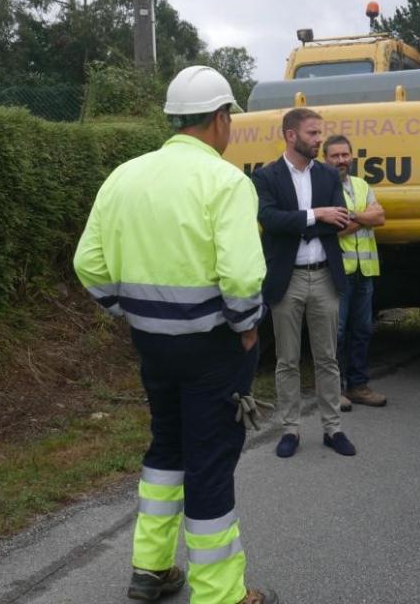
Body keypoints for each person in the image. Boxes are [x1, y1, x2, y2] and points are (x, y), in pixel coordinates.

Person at [74, 66, 279, 604]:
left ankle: (152, 568)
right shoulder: (226, 181)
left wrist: (127, 309)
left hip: (152, 343)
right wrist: (248, 326)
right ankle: (220, 594)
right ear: (220, 118)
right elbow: (240, 275)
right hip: (212, 346)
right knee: (210, 463)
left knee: (166, 447)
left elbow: (88, 263)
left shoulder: (124, 174)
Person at [251, 108, 356, 458]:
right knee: (287, 360)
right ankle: (290, 429)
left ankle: (333, 428)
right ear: (291, 135)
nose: (319, 139)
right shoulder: (266, 177)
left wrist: (300, 222)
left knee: (327, 358)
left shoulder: (328, 175)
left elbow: (340, 220)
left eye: (319, 133)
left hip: (325, 276)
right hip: (287, 280)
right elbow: (268, 219)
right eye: (312, 133)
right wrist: (316, 215)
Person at [322, 134, 388, 411]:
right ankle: (333, 391)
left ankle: (358, 385)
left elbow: (381, 218)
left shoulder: (362, 184)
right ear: (325, 159)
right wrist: (364, 217)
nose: (341, 160)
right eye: (335, 156)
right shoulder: (322, 188)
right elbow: (332, 230)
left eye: (344, 155)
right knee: (335, 333)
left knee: (362, 330)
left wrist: (351, 216)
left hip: (365, 269)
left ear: (351, 156)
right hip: (339, 271)